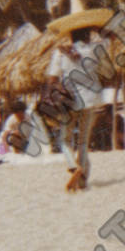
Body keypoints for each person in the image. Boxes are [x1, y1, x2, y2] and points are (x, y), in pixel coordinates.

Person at [45, 26, 103, 191]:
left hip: (69, 101)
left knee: (65, 139)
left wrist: (51, 95)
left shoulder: (60, 52)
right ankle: (83, 180)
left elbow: (52, 78)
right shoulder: (94, 50)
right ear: (87, 35)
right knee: (83, 141)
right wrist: (97, 29)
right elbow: (108, 41)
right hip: (90, 100)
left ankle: (73, 166)